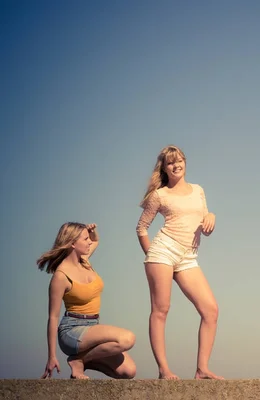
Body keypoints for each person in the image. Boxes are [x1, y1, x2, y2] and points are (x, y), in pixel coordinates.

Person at [136, 145, 222, 380]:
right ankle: (164, 369)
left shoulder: (198, 190)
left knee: (210, 310)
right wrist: (153, 255)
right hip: (163, 253)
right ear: (164, 168)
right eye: (170, 162)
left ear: (185, 162)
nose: (176, 165)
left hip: (188, 257)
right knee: (161, 310)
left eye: (179, 160)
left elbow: (204, 223)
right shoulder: (160, 195)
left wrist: (211, 217)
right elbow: (141, 227)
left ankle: (202, 369)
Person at [38, 222, 136, 380]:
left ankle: (83, 361)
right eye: (85, 239)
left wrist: (92, 232)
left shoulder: (84, 260)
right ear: (72, 243)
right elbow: (53, 317)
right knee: (127, 338)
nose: (89, 241)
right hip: (72, 330)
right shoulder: (61, 276)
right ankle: (78, 360)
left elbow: (96, 241)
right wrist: (52, 356)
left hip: (92, 327)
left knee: (128, 371)